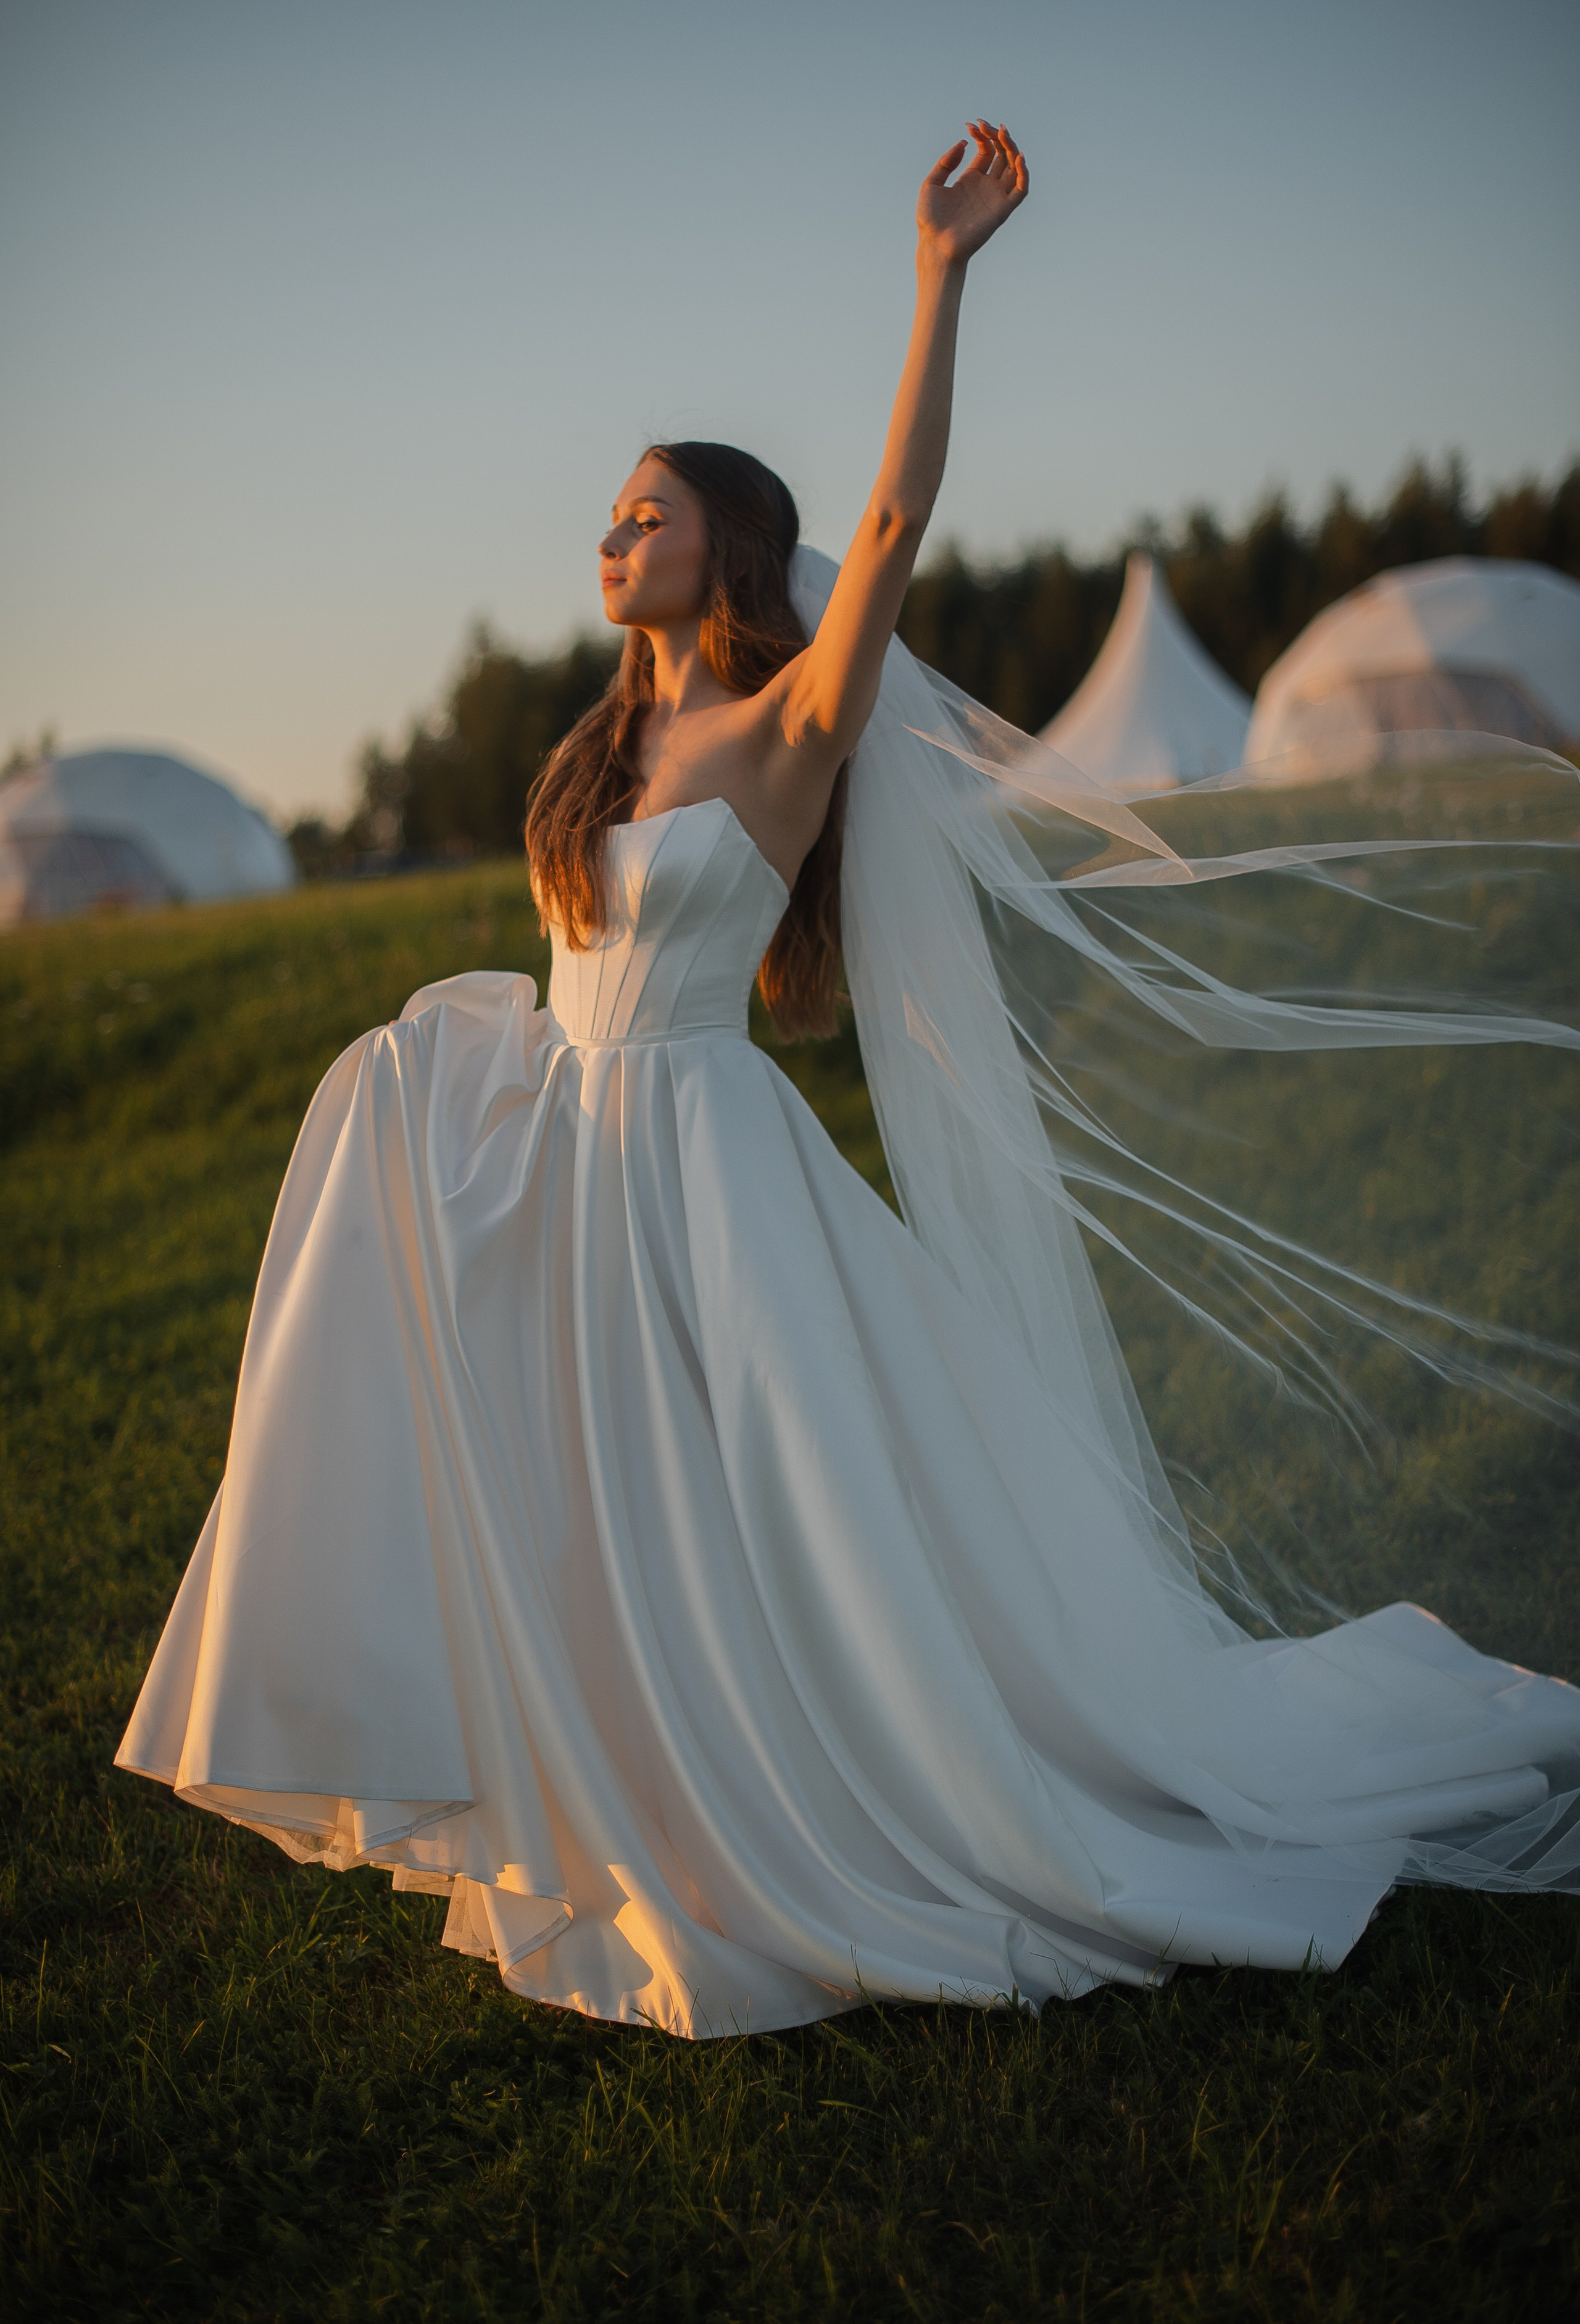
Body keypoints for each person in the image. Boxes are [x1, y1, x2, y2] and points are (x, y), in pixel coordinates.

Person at [118, 124, 1580, 2036]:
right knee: (589, 1493)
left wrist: (938, 278)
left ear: (727, 539)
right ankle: (610, 1786)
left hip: (709, 1162)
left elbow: (886, 528)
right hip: (566, 1154)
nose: (609, 533)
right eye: (607, 513)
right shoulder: (591, 754)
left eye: (645, 510)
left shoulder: (788, 730)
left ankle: (829, 1800)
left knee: (776, 1521)